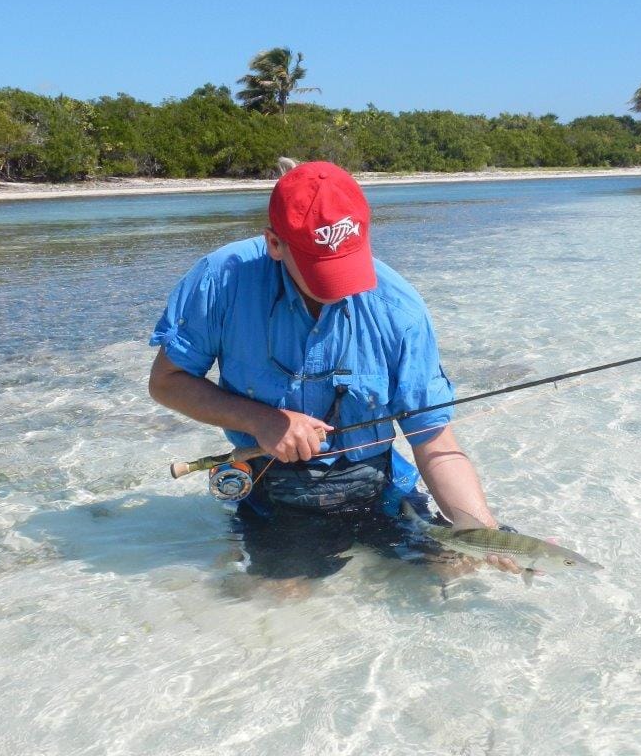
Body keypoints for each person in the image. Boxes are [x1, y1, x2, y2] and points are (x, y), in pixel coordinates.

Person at [148, 161, 517, 579]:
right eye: (322, 270)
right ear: (275, 243)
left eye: (348, 264)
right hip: (275, 486)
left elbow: (432, 440)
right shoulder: (221, 281)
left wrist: (484, 529)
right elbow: (166, 383)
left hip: (378, 485)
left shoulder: (400, 309)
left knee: (455, 572)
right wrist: (261, 420)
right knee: (282, 607)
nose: (341, 288)